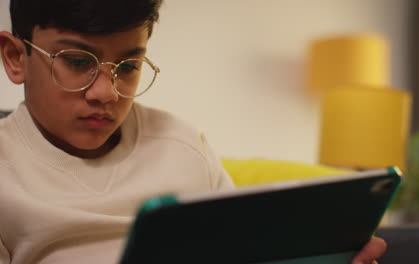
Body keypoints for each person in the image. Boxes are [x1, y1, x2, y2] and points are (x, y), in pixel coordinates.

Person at [0, 0, 386, 263]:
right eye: (77, 61)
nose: (105, 93)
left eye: (130, 67)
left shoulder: (182, 145)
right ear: (16, 57)